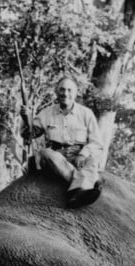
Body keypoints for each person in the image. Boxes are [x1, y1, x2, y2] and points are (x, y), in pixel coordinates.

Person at [20, 76, 105, 208]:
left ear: (75, 93)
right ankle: (83, 186)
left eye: (69, 90)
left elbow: (97, 142)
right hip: (56, 156)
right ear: (56, 92)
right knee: (45, 153)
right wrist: (26, 118)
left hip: (78, 155)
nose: (65, 93)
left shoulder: (86, 113)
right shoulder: (46, 113)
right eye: (62, 90)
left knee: (92, 161)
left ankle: (78, 192)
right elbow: (30, 134)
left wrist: (83, 154)